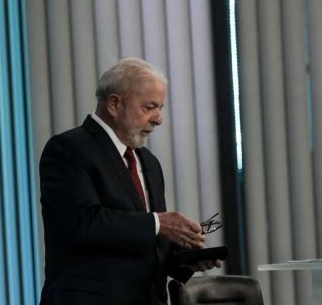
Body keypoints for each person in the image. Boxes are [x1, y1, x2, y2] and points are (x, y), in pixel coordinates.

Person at [39, 57, 220, 304]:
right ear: (114, 104)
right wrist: (159, 223)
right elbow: (83, 223)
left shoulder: (149, 162)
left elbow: (148, 246)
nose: (158, 119)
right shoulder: (68, 149)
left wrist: (188, 259)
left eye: (160, 108)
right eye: (149, 107)